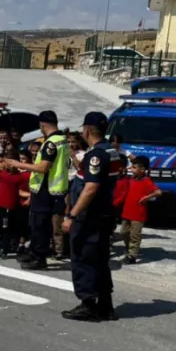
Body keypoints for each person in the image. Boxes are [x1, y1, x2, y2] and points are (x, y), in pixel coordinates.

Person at [61, 112, 119, 322]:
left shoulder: (96, 155)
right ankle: (105, 305)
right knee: (100, 260)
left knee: (83, 258)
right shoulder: (110, 152)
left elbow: (91, 188)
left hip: (89, 217)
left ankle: (88, 305)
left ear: (86, 130)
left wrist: (72, 215)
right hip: (103, 215)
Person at [2, 110, 69, 270]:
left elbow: (43, 167)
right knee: (39, 224)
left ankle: (39, 257)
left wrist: (18, 164)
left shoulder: (51, 143)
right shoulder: (63, 140)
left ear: (42, 125)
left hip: (46, 190)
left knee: (40, 225)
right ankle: (34, 252)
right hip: (53, 190)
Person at [119, 156, 162, 264]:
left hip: (138, 214)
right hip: (127, 212)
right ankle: (130, 248)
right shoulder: (131, 179)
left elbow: (158, 192)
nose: (131, 169)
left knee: (135, 235)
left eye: (134, 167)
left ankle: (132, 255)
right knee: (124, 232)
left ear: (142, 170)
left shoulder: (146, 181)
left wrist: (146, 197)